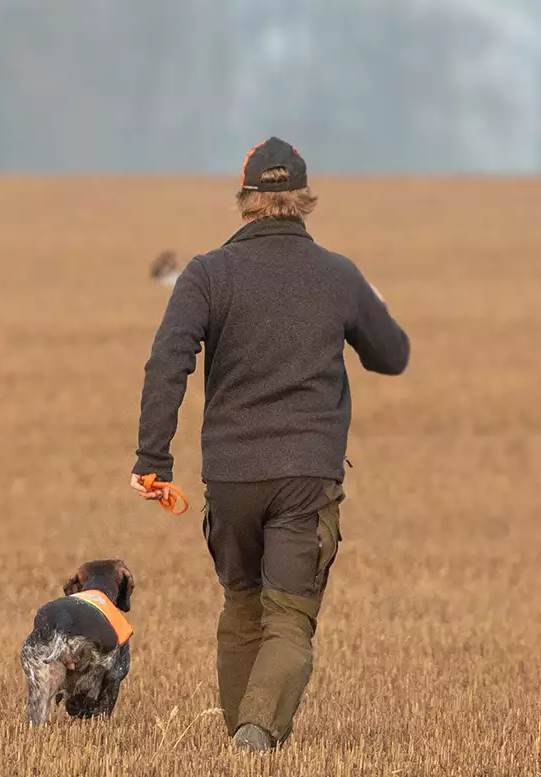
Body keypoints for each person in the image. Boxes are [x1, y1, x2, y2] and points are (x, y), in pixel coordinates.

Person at [130, 137, 410, 752]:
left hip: (230, 477)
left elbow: (165, 363)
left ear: (246, 198)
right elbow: (392, 356)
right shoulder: (338, 274)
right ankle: (255, 735)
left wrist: (153, 458)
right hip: (306, 474)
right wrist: (376, 309)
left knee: (241, 604)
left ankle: (243, 738)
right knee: (288, 616)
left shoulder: (207, 273)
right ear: (302, 199)